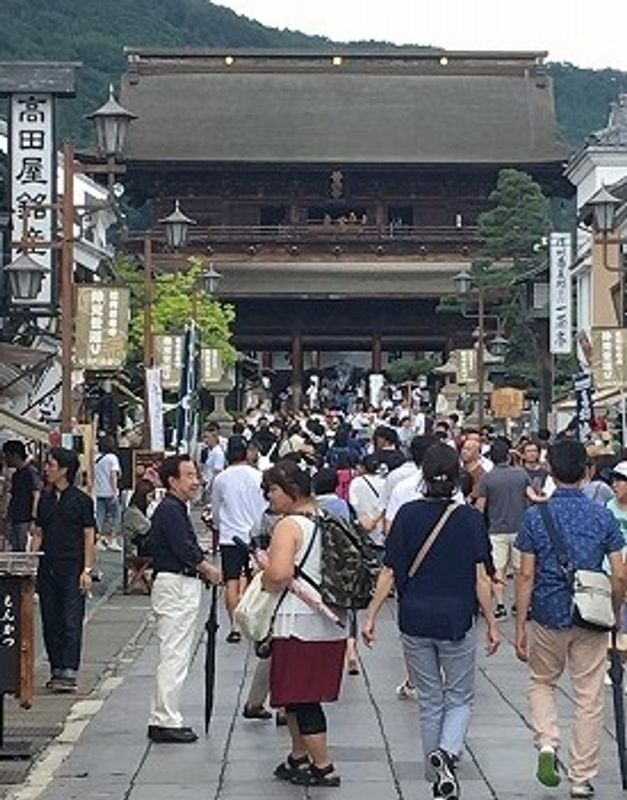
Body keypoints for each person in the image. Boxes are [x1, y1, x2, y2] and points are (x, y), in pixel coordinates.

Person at [363, 443, 499, 800]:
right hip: (456, 617)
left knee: (429, 699)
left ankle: (436, 773)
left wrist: (372, 615)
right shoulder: (468, 518)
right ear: (457, 477)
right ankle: (447, 753)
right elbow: (481, 578)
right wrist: (493, 622)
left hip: (415, 617)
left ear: (423, 474)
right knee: (459, 697)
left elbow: (389, 572)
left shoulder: (407, 515)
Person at [514, 439, 626, 798]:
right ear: (587, 472)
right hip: (592, 614)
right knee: (589, 694)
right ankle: (581, 776)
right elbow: (620, 572)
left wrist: (519, 623)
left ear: (549, 470)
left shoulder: (535, 517)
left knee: (543, 681)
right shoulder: (603, 516)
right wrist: (615, 608)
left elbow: (525, 575)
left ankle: (547, 743)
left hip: (548, 612)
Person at [262, 461, 347, 787]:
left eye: (273, 490)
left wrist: (264, 576)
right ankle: (299, 757)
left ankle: (323, 767)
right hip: (330, 619)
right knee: (296, 695)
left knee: (303, 696)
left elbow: (280, 574)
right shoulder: (329, 518)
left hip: (298, 621)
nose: (269, 496)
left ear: (291, 491)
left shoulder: (289, 526)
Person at [148, 454, 221, 743]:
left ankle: (163, 714)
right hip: (175, 583)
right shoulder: (170, 510)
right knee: (174, 653)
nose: (196, 481)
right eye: (189, 476)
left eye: (196, 475)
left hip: (178, 583)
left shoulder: (175, 508)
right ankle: (165, 718)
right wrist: (206, 568)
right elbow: (183, 548)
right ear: (172, 481)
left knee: (174, 651)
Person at [30, 448, 96, 693]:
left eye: (51, 465)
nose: (47, 469)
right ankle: (56, 667)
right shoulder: (45, 499)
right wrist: (31, 561)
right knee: (50, 619)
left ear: (65, 470)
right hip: (48, 566)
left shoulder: (81, 501)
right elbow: (39, 531)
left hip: (72, 566)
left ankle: (69, 669)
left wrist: (87, 569)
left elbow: (89, 534)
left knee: (71, 619)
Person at [476, 438, 539, 619]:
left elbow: (481, 507)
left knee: (498, 570)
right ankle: (521, 605)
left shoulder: (487, 478)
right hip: (520, 529)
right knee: (522, 572)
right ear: (508, 456)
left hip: (496, 530)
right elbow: (532, 496)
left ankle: (500, 605)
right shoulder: (521, 475)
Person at [211, 436, 266, 643]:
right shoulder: (258, 476)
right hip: (254, 535)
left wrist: (217, 525)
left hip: (230, 537)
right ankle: (254, 622)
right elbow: (264, 506)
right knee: (256, 581)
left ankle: (235, 626)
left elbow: (216, 509)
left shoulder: (221, 479)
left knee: (231, 581)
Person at [2, 440, 41, 552]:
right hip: (16, 518)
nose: (5, 460)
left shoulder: (30, 472)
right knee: (15, 549)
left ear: (15, 455)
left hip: (25, 519)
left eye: (7, 456)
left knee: (23, 550)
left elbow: (36, 494)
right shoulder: (16, 475)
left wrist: (34, 518)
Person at [94, 435, 122, 551]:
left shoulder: (96, 457)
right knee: (116, 516)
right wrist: (115, 492)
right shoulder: (112, 458)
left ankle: (98, 540)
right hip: (110, 491)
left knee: (100, 516)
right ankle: (113, 540)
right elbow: (113, 476)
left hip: (99, 491)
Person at [121, 479, 155, 558]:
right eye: (150, 496)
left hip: (136, 547)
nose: (151, 500)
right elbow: (150, 528)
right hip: (133, 551)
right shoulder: (133, 512)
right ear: (142, 496)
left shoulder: (135, 510)